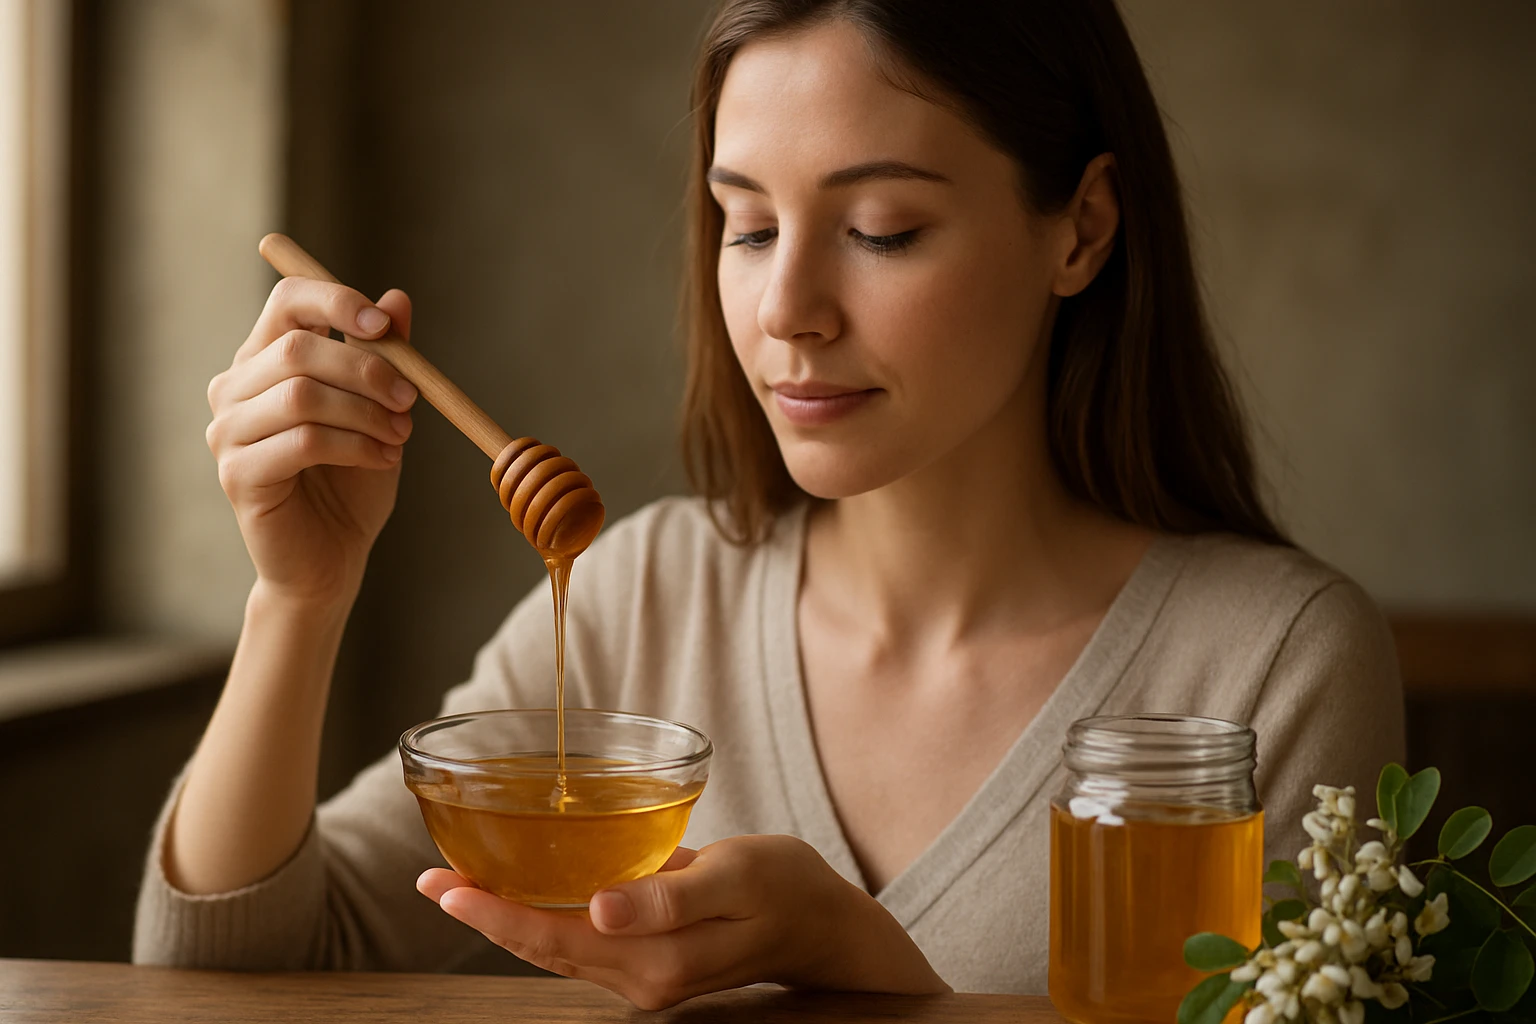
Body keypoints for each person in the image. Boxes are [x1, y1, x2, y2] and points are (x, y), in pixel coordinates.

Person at [132, 0, 1404, 1008]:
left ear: (1080, 229)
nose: (787, 310)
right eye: (745, 226)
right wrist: (299, 598)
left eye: (885, 229)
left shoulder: (1272, 668)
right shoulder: (644, 591)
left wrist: (877, 981)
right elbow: (230, 972)